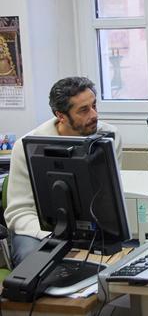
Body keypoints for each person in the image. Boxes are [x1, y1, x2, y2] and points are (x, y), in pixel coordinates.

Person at [4, 77, 123, 266]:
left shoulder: (109, 136)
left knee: (122, 261)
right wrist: (57, 236)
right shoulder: (27, 146)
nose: (94, 115)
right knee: (34, 262)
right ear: (61, 115)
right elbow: (19, 212)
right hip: (40, 231)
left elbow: (110, 198)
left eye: (94, 106)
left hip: (93, 227)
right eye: (83, 110)